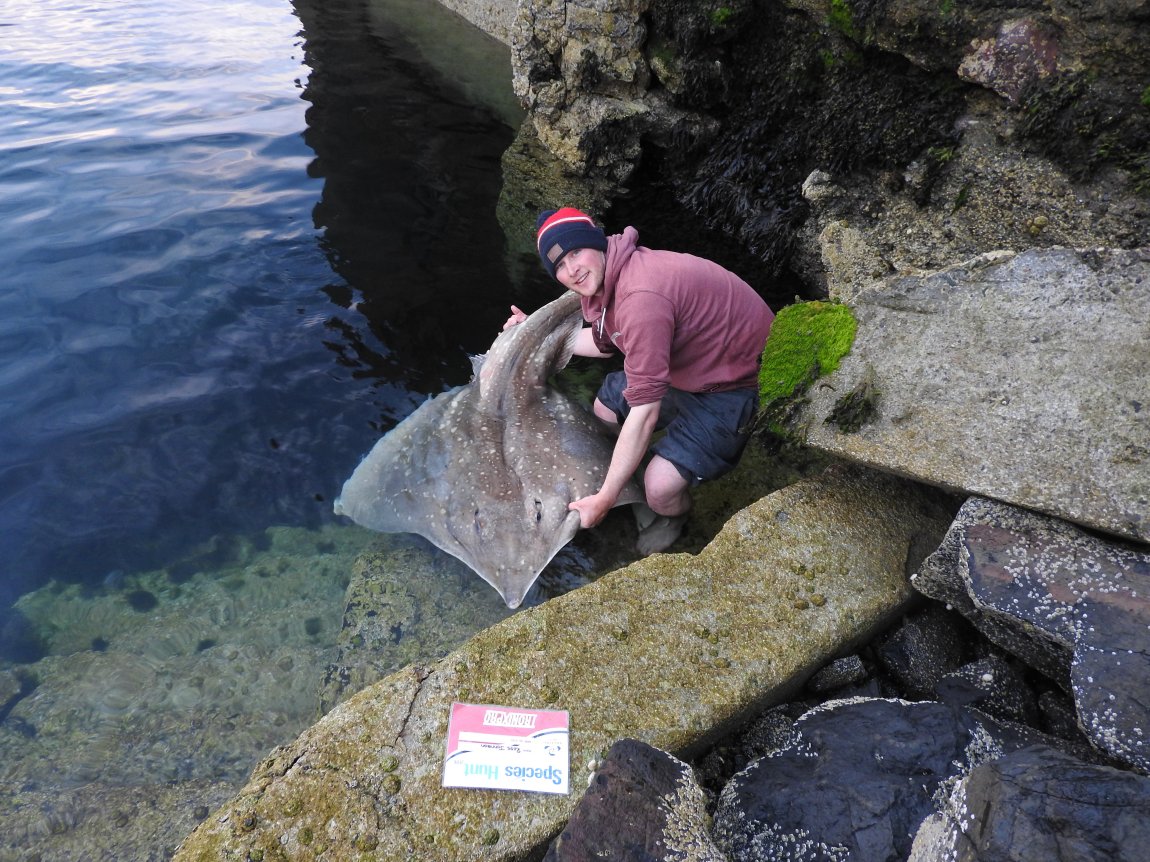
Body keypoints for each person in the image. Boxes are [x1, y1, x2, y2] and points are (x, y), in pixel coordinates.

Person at [504, 207, 775, 555]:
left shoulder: (641, 297)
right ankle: (629, 471)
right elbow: (605, 344)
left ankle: (672, 515)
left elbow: (644, 412)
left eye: (575, 252)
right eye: (559, 265)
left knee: (659, 488)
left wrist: (606, 497)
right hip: (690, 365)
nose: (572, 269)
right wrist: (534, 335)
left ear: (596, 242)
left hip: (736, 385)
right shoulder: (611, 274)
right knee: (605, 408)